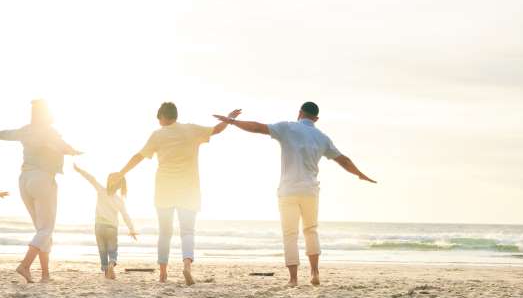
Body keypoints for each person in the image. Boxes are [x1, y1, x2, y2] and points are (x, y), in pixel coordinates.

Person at [214, 101, 375, 286]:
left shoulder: (287, 128)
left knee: (290, 234)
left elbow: (257, 127)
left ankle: (293, 279)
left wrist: (232, 122)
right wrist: (360, 175)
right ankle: (314, 273)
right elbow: (343, 160)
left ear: (299, 113)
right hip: (310, 191)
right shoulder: (322, 137)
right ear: (316, 118)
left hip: (288, 191)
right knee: (311, 230)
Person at [118, 103, 240, 285]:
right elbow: (216, 130)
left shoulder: (158, 135)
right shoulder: (191, 130)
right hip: (189, 190)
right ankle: (187, 267)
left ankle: (162, 273)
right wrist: (229, 118)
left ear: (162, 117)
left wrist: (122, 172)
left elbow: (139, 156)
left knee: (164, 233)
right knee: (188, 232)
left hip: (164, 190)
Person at [0, 100, 81, 283]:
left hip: (24, 180)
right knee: (46, 229)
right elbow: (63, 146)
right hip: (42, 179)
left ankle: (45, 274)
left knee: (41, 231)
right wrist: (75, 152)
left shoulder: (26, 130)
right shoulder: (48, 132)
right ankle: (25, 265)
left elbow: (7, 134)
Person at [72, 165, 138, 279]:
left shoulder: (101, 190)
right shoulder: (119, 200)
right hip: (111, 228)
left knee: (102, 251)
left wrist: (79, 170)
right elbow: (125, 216)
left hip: (99, 227)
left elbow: (91, 178)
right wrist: (131, 229)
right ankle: (111, 265)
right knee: (112, 250)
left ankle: (106, 271)